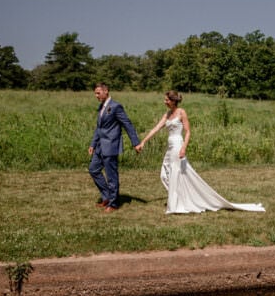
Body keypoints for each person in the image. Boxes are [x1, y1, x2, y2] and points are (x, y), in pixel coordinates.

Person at [135, 91, 265, 214]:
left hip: (178, 145)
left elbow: (188, 132)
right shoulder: (167, 114)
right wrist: (143, 142)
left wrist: (183, 148)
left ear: (173, 101)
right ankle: (180, 199)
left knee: (176, 174)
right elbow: (156, 129)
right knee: (164, 175)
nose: (164, 102)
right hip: (170, 147)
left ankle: (176, 204)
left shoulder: (181, 112)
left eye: (166, 100)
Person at [88, 83, 141, 213]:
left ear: (106, 91)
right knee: (93, 169)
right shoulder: (101, 107)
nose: (96, 96)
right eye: (95, 93)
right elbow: (99, 128)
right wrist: (93, 144)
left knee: (111, 176)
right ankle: (107, 196)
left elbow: (127, 124)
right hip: (100, 146)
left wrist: (136, 143)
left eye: (98, 93)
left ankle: (114, 203)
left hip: (111, 146)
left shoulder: (116, 106)